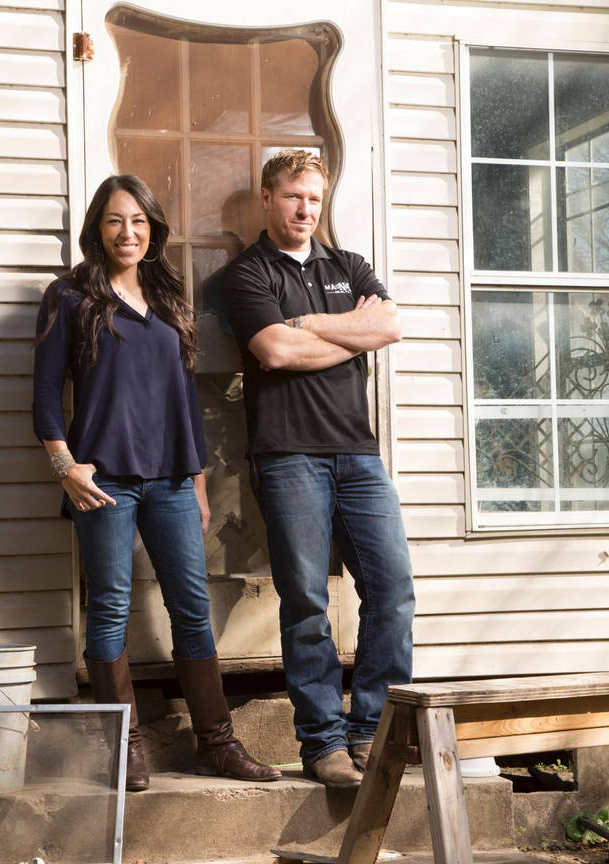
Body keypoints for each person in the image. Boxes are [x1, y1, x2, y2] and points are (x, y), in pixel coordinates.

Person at [33, 173, 280, 792]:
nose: (128, 232)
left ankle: (217, 745)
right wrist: (66, 468)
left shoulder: (168, 298)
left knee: (191, 607)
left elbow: (181, 400)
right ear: (98, 228)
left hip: (171, 480)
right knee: (110, 608)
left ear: (153, 230)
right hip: (103, 482)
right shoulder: (69, 296)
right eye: (116, 220)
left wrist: (196, 480)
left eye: (139, 221)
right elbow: (43, 395)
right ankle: (123, 748)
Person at [222, 150, 415, 788]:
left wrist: (307, 324)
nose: (305, 209)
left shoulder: (348, 265)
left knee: (392, 591)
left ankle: (372, 731)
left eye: (314, 198)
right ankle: (323, 742)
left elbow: (388, 326)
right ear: (267, 198)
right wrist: (347, 330)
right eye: (292, 197)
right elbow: (275, 351)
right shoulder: (246, 274)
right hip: (287, 455)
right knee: (306, 602)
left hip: (358, 454)